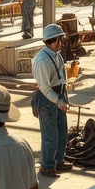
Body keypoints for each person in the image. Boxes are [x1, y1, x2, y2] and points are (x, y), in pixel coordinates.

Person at [31, 24, 72, 177]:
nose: (62, 43)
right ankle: (47, 165)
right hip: (47, 100)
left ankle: (59, 160)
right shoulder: (42, 60)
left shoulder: (57, 55)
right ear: (53, 41)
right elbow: (45, 88)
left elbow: (63, 76)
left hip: (59, 95)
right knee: (50, 136)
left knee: (62, 131)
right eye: (60, 40)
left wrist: (64, 98)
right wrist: (58, 101)